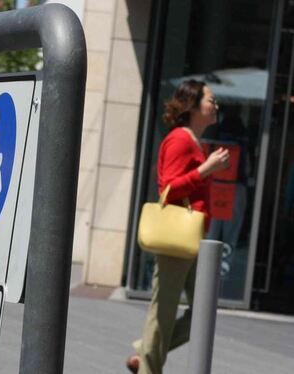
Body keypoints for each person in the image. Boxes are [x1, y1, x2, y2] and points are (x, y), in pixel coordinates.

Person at [127, 80, 230, 374]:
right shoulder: (180, 140)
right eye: (211, 100)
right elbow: (168, 188)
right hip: (177, 240)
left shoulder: (195, 141)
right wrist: (205, 169)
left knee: (203, 311)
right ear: (193, 105)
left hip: (193, 239)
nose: (216, 106)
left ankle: (146, 351)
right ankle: (149, 365)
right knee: (164, 310)